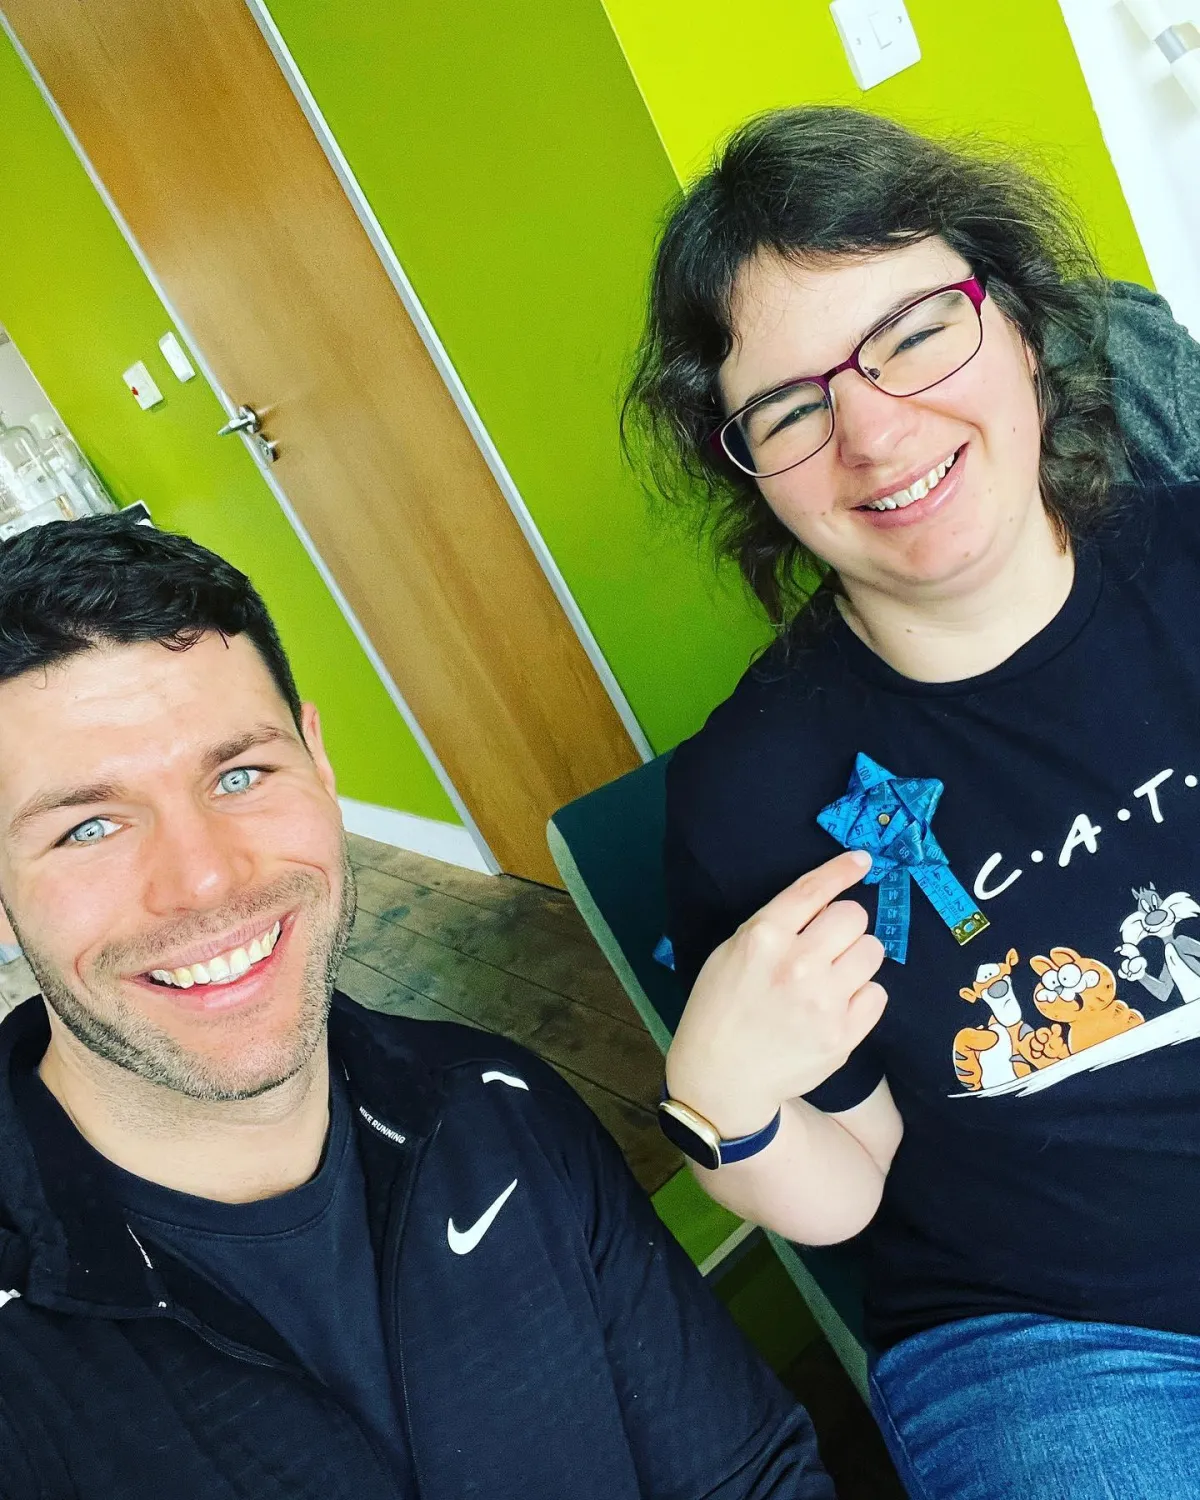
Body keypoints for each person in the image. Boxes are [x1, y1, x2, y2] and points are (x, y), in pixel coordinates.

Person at [0, 515, 833, 1500]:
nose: (206, 880)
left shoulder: (503, 1107)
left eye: (239, 773)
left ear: (317, 760)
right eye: (89, 825)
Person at [624, 105, 1200, 1500]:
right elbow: (855, 1168)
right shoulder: (751, 795)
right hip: (1061, 1339)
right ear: (741, 461)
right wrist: (728, 1114)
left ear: (1015, 317)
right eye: (792, 404)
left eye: (916, 331)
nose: (876, 431)